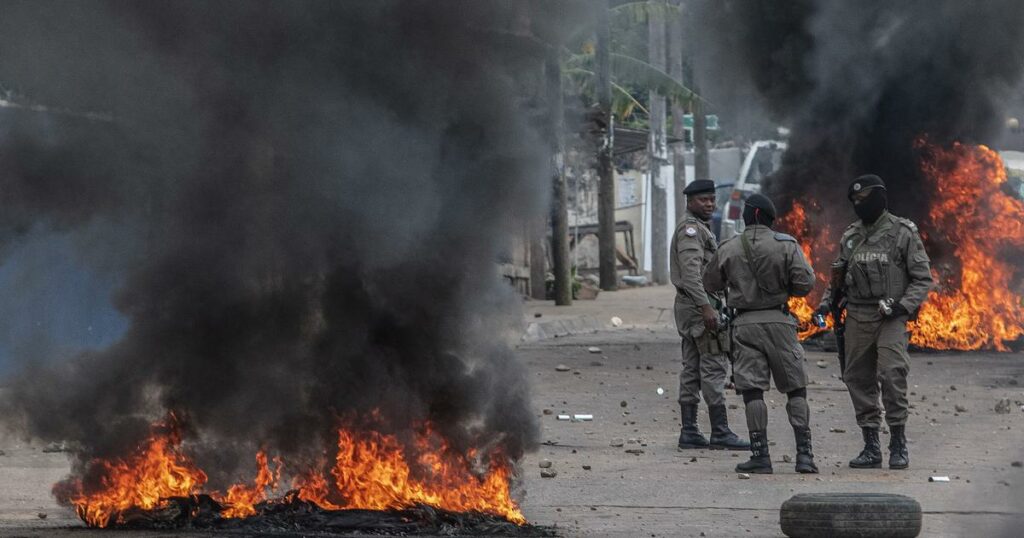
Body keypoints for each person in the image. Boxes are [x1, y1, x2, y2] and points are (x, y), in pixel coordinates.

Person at [816, 174, 934, 470]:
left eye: (864, 199)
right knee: (857, 378)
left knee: (893, 374)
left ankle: (898, 442)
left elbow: (922, 279)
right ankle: (871, 445)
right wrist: (823, 307)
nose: (859, 205)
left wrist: (902, 307)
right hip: (857, 315)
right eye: (855, 201)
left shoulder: (903, 232)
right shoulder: (851, 236)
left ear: (879, 198)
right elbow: (837, 279)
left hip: (890, 317)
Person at [703, 194, 818, 474]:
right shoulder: (787, 245)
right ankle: (805, 456)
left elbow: (709, 281)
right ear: (768, 217)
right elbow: (805, 285)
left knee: (753, 391)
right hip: (780, 323)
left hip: (744, 326)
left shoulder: (729, 247)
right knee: (795, 388)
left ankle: (760, 456)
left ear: (750, 216)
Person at [670, 179, 748, 451]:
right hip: (699, 308)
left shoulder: (698, 228)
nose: (710, 204)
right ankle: (720, 431)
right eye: (704, 200)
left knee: (691, 369)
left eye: (712, 199)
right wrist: (707, 308)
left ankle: (689, 431)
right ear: (690, 201)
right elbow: (692, 274)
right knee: (713, 366)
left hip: (690, 307)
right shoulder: (691, 230)